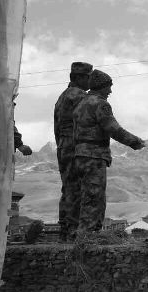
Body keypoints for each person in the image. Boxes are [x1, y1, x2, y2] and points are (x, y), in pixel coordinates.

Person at [72, 69, 145, 234]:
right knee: (95, 196)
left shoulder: (80, 104)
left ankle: (84, 233)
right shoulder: (100, 104)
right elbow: (113, 128)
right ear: (101, 86)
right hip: (94, 156)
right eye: (108, 86)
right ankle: (89, 235)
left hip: (80, 156)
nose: (110, 91)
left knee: (86, 196)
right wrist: (135, 142)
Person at [53, 61, 92, 240]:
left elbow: (56, 127)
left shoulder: (61, 97)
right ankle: (73, 231)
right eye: (88, 77)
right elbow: (88, 121)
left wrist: (62, 144)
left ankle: (65, 229)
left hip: (63, 146)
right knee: (78, 188)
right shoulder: (79, 95)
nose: (90, 80)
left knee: (68, 188)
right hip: (76, 145)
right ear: (78, 77)